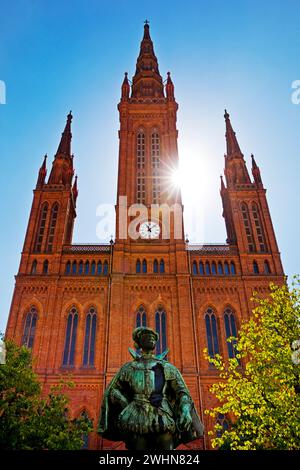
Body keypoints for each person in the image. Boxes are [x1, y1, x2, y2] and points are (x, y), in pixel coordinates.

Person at [98, 326, 204, 450]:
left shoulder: (167, 367)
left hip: (163, 417)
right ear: (138, 343)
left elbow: (182, 392)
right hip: (137, 418)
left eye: (153, 337)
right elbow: (113, 390)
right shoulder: (129, 368)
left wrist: (185, 409)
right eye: (146, 336)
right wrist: (125, 403)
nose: (151, 337)